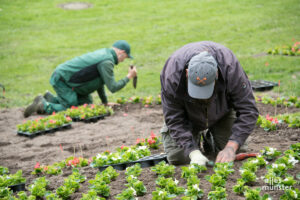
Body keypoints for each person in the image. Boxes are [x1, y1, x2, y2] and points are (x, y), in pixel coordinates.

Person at [160, 41, 259, 166]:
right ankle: (194, 137)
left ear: (217, 74)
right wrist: (193, 152)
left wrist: (230, 147)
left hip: (221, 112)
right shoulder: (171, 75)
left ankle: (211, 137)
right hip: (188, 115)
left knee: (235, 150)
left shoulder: (231, 69)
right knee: (179, 158)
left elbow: (249, 110)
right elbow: (174, 118)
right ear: (187, 73)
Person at [24, 40, 137, 117]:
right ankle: (43, 105)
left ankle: (51, 99)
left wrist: (105, 103)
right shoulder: (107, 61)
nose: (123, 61)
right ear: (121, 52)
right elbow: (113, 87)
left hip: (67, 78)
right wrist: (129, 77)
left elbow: (100, 81)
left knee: (86, 103)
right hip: (63, 79)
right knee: (71, 107)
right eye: (125, 58)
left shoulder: (105, 54)